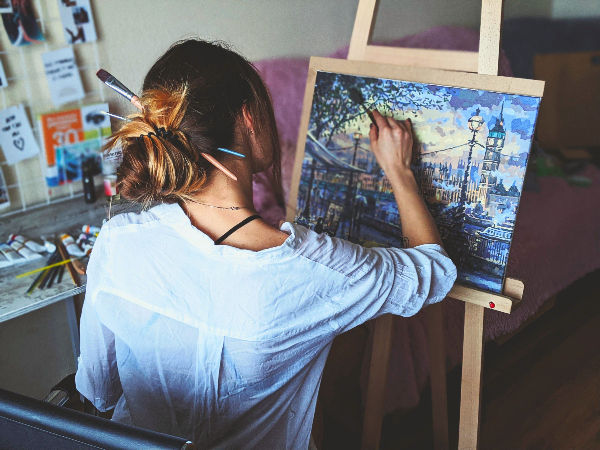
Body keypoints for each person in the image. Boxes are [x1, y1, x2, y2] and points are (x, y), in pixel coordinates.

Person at [75, 39, 456, 449]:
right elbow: (432, 272)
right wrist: (399, 171)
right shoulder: (309, 267)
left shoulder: (117, 241)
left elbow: (98, 389)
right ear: (249, 119)